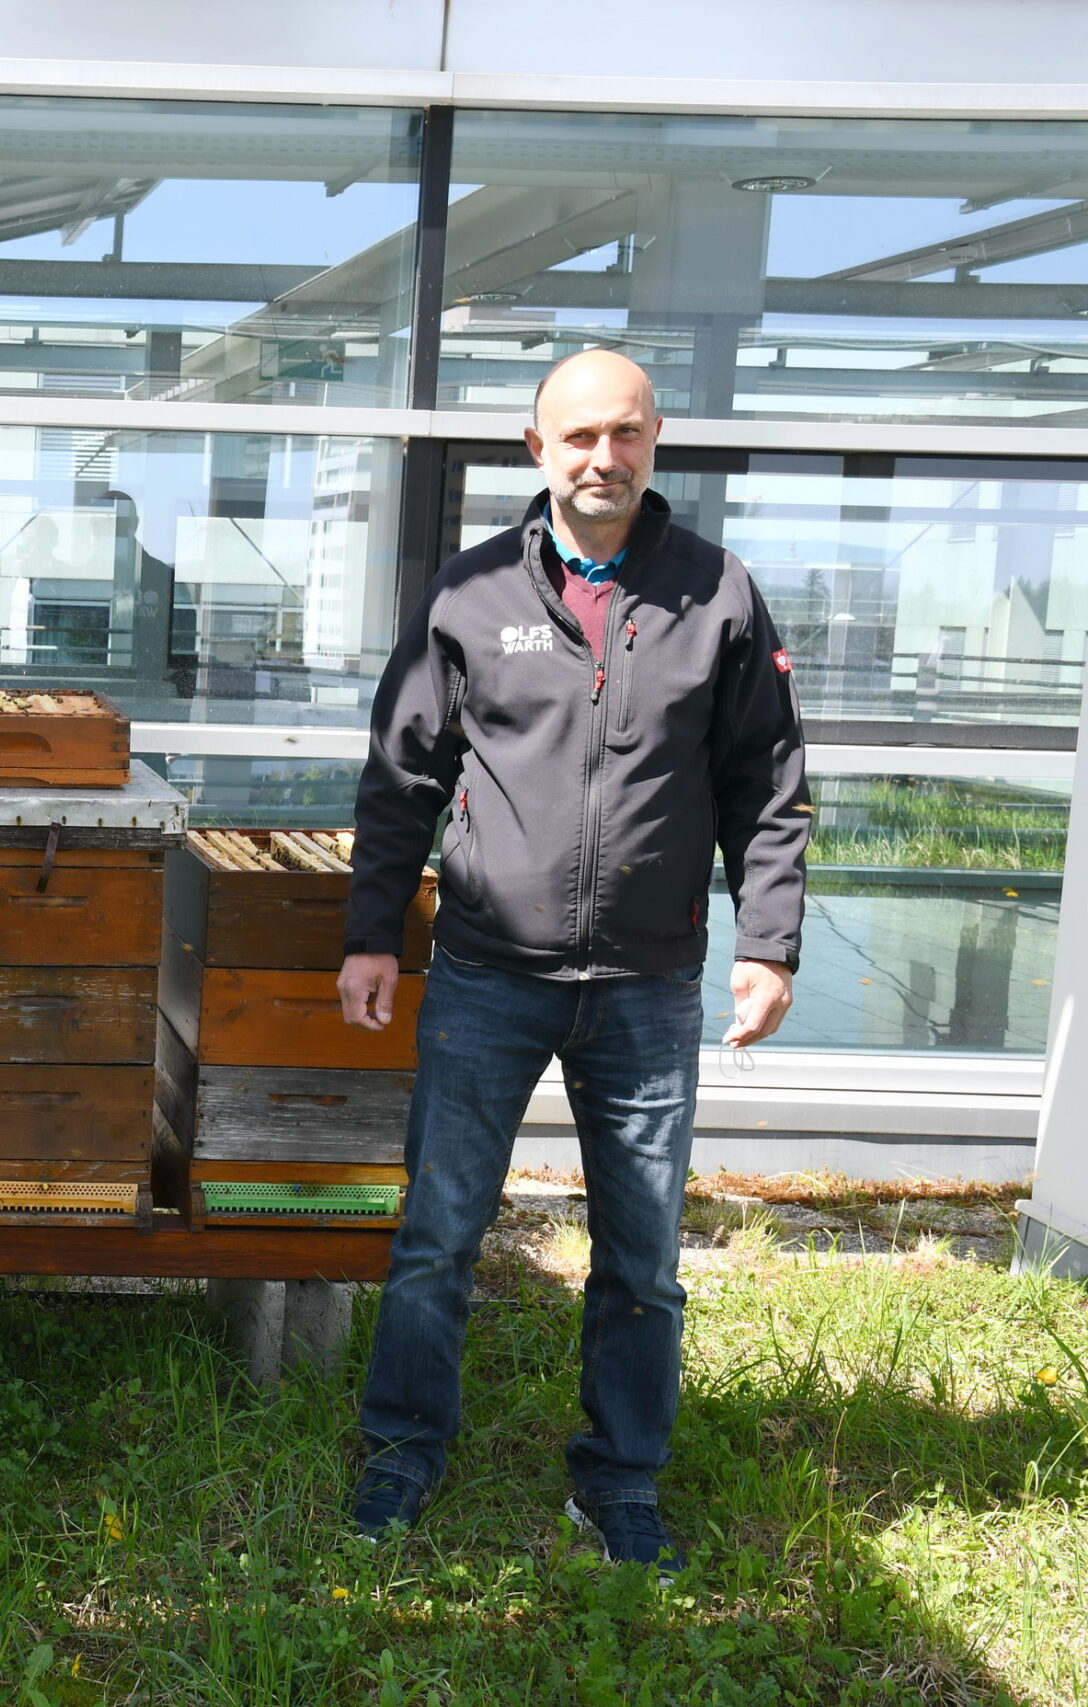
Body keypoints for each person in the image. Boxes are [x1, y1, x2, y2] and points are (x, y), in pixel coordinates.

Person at [337, 349, 810, 1571]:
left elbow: (766, 786)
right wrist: (371, 932)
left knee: (642, 1256)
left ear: (656, 439)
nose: (605, 457)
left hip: (649, 986)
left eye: (627, 433)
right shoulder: (472, 591)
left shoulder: (716, 592)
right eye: (579, 437)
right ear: (535, 449)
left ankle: (619, 1481)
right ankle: (401, 1451)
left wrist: (768, 942)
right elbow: (401, 778)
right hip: (489, 973)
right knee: (439, 1233)